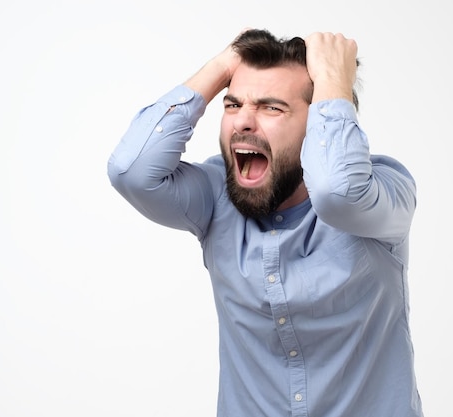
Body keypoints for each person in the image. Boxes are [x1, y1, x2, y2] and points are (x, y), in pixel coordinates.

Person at [107, 28, 423, 417]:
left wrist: (334, 82)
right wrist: (223, 63)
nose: (243, 122)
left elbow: (337, 192)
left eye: (272, 108)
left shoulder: (382, 191)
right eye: (233, 104)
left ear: (318, 123)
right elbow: (130, 172)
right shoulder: (215, 197)